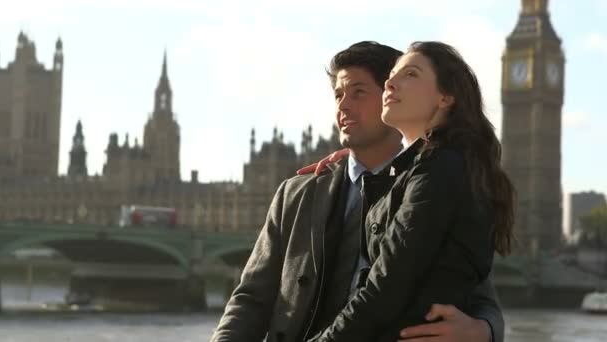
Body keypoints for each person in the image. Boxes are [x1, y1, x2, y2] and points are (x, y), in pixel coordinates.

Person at [210, 41, 505, 342]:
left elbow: (475, 289)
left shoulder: (427, 182)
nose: (343, 105)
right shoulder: (296, 194)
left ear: (388, 99)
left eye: (358, 93)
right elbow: (250, 300)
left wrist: (485, 330)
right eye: (338, 95)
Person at [302, 41, 515, 342]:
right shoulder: (426, 168)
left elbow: (385, 287)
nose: (391, 82)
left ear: (445, 97)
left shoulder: (441, 168)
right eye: (392, 75)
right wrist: (352, 158)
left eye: (410, 75)